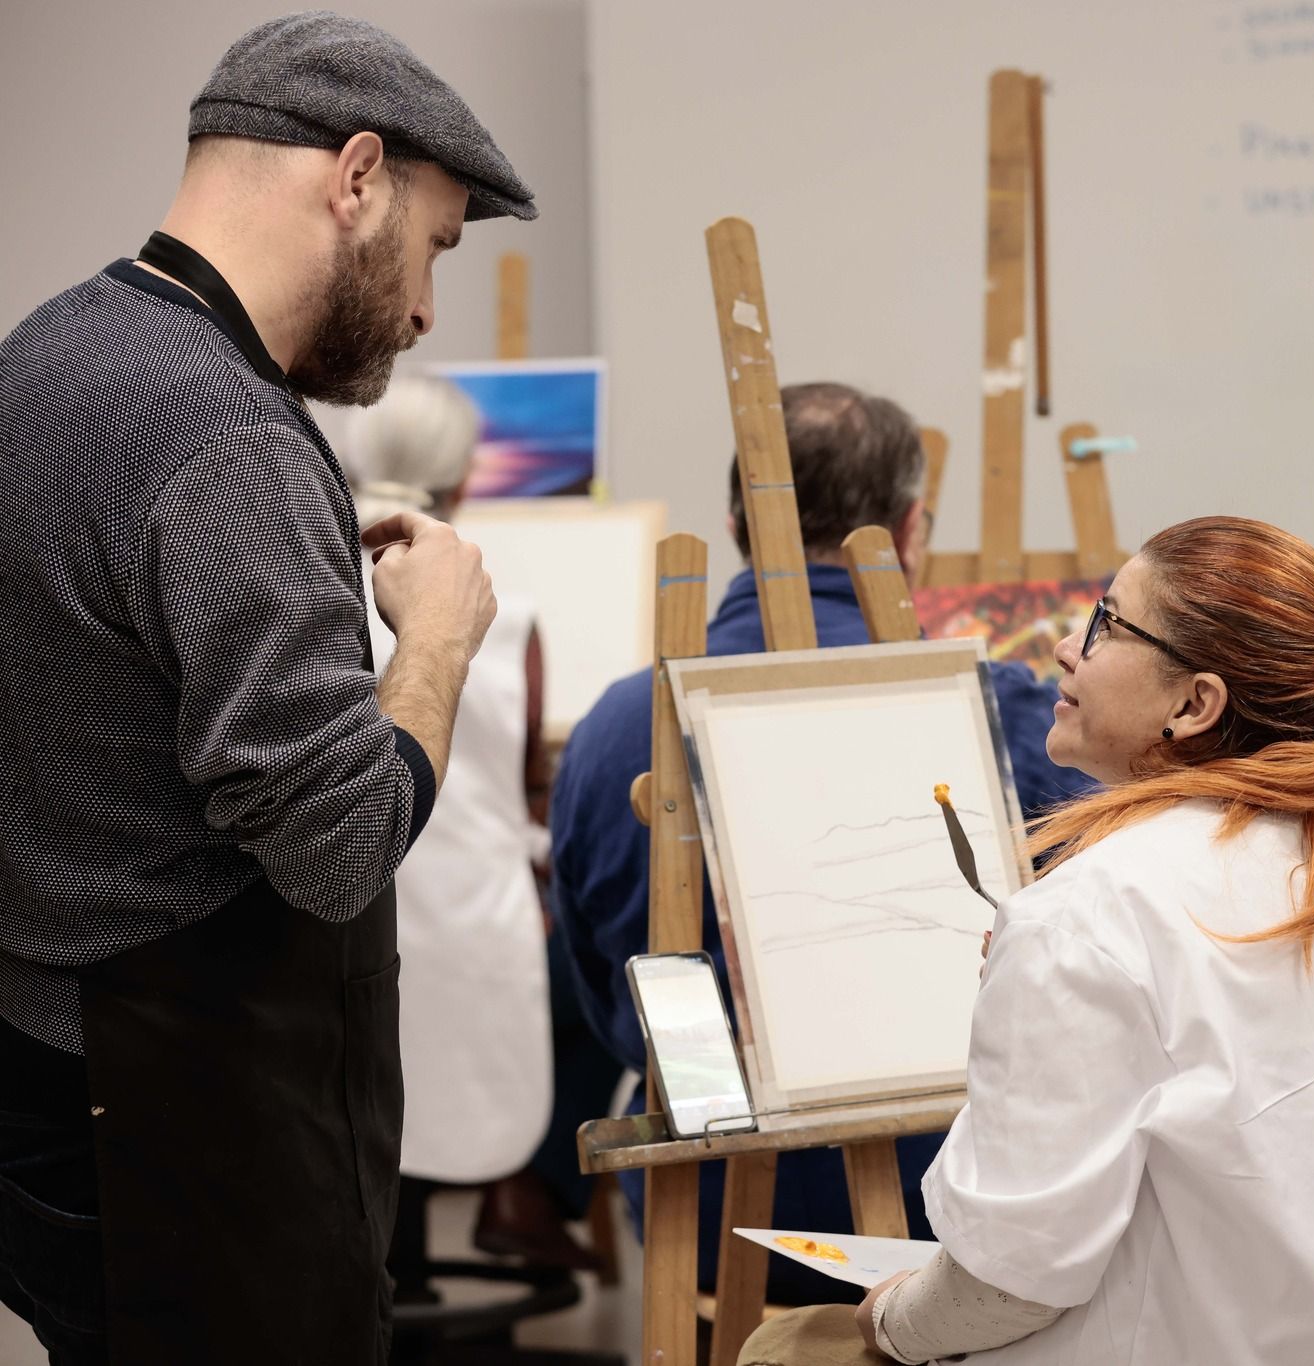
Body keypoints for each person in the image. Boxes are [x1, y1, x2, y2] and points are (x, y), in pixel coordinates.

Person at [0, 14, 532, 1362]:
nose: (425, 308)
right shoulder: (226, 434)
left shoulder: (42, 357)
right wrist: (436, 642)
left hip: (57, 1076)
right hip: (187, 1128)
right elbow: (339, 845)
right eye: (436, 246)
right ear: (356, 178)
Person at [738, 516, 1314, 1365]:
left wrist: (889, 1320)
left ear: (1194, 704)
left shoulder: (1090, 915)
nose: (1068, 648)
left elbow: (1005, 1285)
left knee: (784, 1347)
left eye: (1106, 623)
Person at [550, 381, 1093, 1304]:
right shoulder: (1007, 716)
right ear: (910, 529)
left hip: (709, 1218)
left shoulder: (612, 730)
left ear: (734, 524)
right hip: (954, 1212)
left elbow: (607, 997)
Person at [340, 378, 585, 1277]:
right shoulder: (506, 614)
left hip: (337, 912)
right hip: (480, 923)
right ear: (466, 479)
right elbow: (527, 790)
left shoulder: (308, 582)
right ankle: (526, 1201)